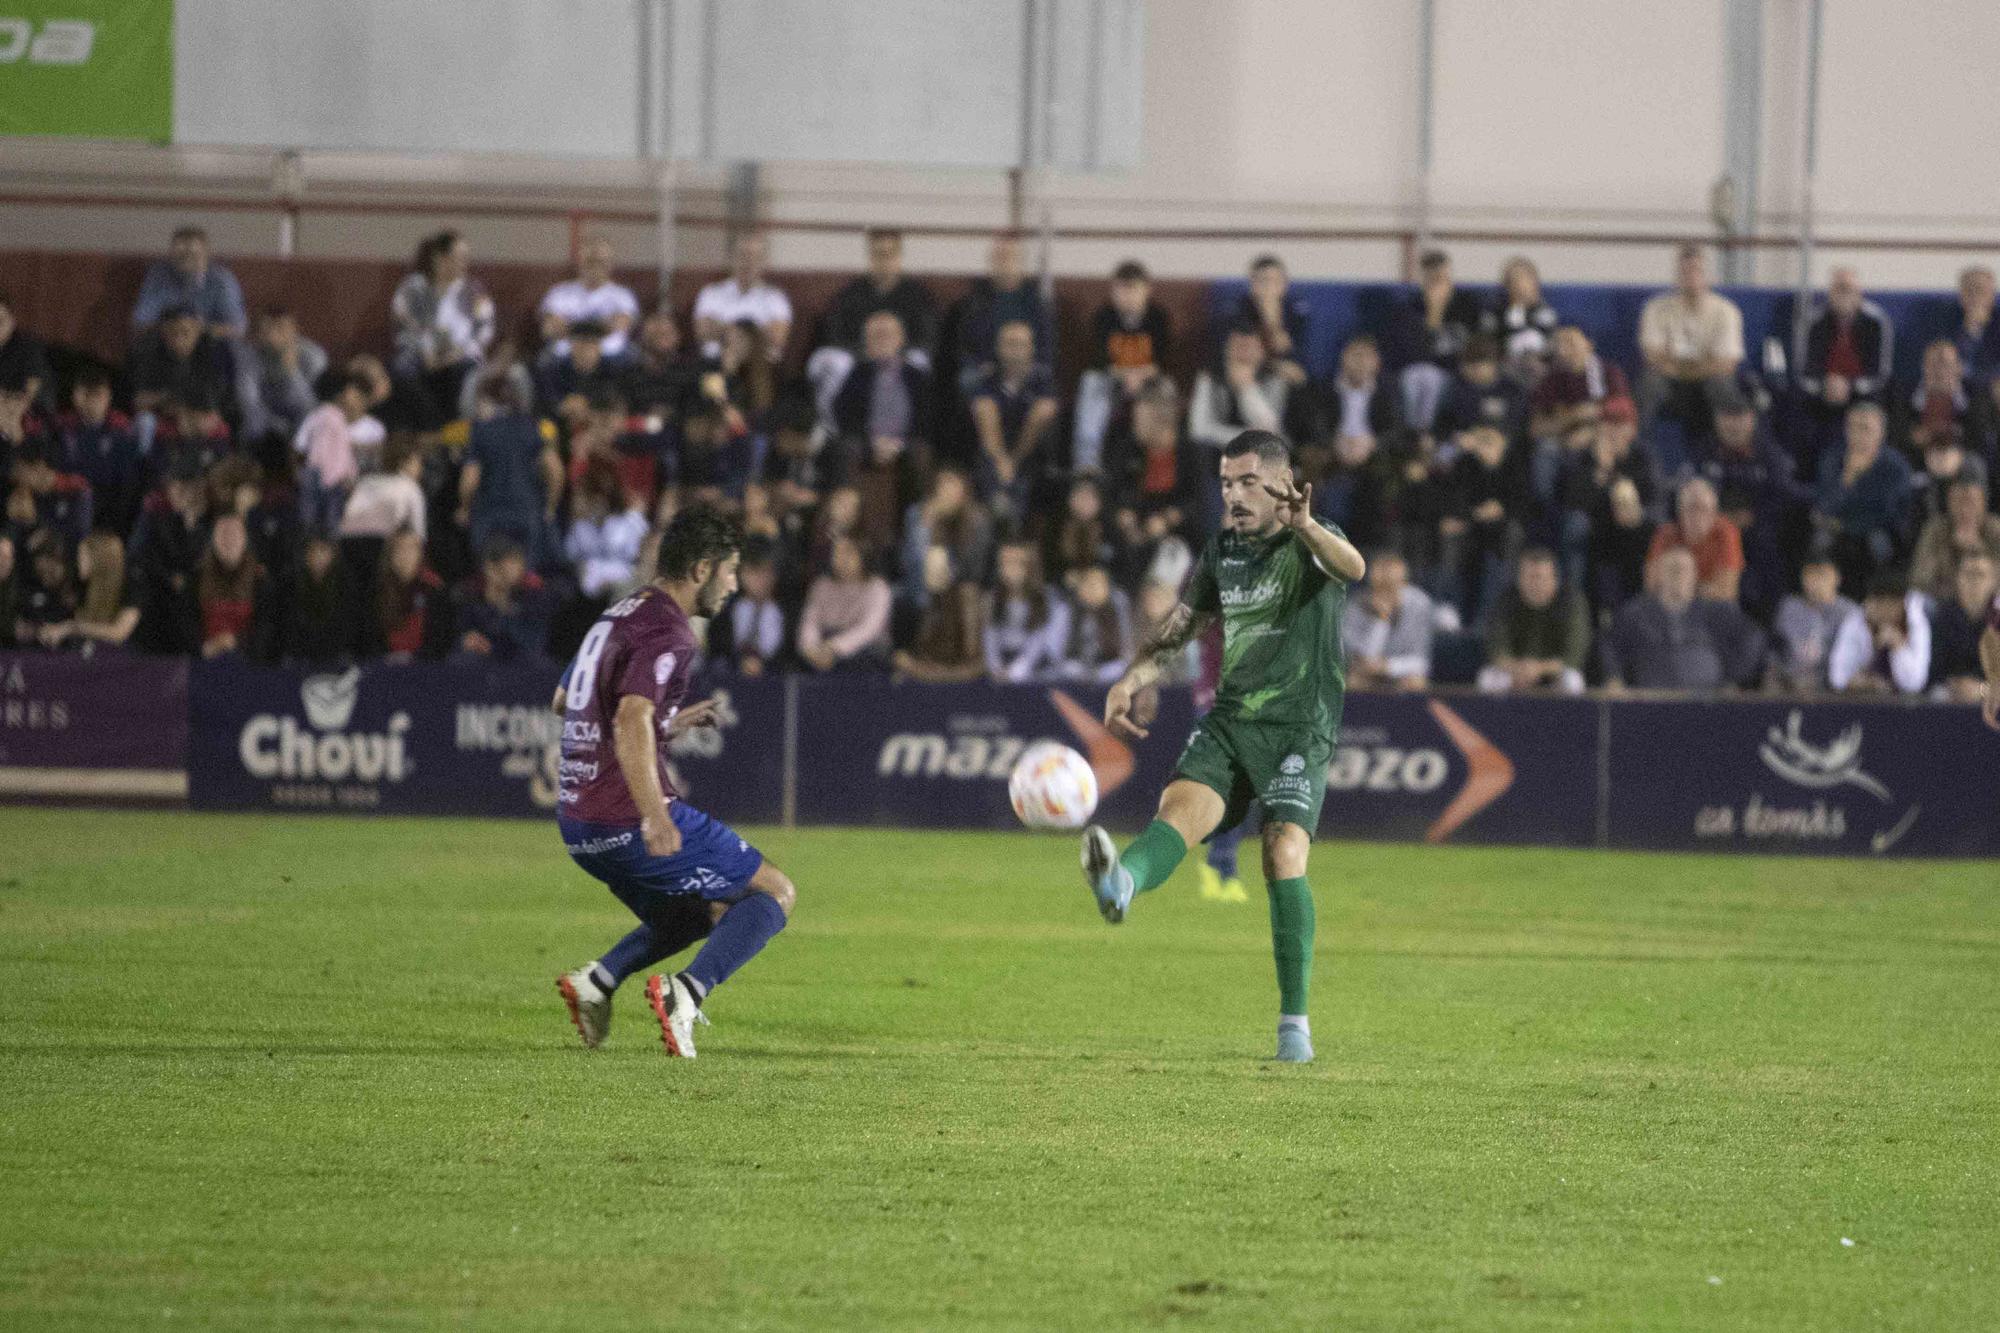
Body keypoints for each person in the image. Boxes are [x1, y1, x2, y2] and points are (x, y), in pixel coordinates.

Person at [1083, 430, 1366, 1063]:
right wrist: (1130, 679)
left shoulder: (1314, 543)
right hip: (1233, 719)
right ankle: (1122, 884)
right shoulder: (1221, 553)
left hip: (1300, 724)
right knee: (1177, 812)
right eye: (1224, 484)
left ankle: (1295, 1026)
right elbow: (1182, 627)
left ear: (1280, 485)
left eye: (1244, 483)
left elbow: (1355, 568)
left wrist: (1309, 527)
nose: (1231, 496)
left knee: (1282, 851)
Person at [551, 506, 797, 1058]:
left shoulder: (618, 613)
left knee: (696, 913)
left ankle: (599, 980)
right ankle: (685, 992)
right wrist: (655, 813)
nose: (733, 586)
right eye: (731, 572)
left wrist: (670, 721)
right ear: (702, 569)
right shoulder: (671, 631)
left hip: (577, 823)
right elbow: (630, 717)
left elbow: (564, 700)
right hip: (626, 816)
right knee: (774, 893)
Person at [1600, 548, 1765, 692]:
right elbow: (1610, 646)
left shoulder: (1716, 611)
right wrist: (1614, 679)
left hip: (1709, 702)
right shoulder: (1636, 613)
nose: (1678, 575)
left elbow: (1753, 637)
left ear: (1694, 575)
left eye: (1684, 569)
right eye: (1672, 569)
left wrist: (1732, 677)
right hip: (1651, 701)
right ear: (1659, 574)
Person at [1073, 259, 1173, 472]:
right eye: (1121, 289)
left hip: (1149, 380)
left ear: (1147, 290)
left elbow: (1164, 360)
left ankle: (1162, 466)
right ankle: (1087, 463)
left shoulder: (1158, 318)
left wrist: (1140, 376)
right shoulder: (1104, 318)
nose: (1127, 296)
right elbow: (1100, 360)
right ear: (1112, 291)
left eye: (1133, 289)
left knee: (1168, 388)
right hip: (1114, 379)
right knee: (1091, 383)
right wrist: (1126, 375)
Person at [391, 230, 495, 427]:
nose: (464, 264)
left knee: (465, 372)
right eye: (459, 258)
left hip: (460, 358)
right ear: (439, 258)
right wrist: (427, 353)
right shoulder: (413, 289)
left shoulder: (475, 292)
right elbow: (403, 326)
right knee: (401, 371)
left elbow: (484, 331)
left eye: (466, 258)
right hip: (421, 358)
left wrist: (456, 354)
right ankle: (430, 429)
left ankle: (452, 435)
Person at [1637, 244, 1744, 429]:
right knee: (1649, 384)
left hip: (1708, 382)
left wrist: (1678, 363)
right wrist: (1703, 363)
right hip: (1670, 383)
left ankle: (1732, 453)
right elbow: (1652, 357)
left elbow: (1727, 363)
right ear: (1677, 275)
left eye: (1697, 271)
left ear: (1709, 276)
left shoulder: (1726, 311)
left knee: (1722, 386)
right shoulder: (1655, 308)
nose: (1691, 277)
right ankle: (1634, 450)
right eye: (1685, 271)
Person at [1814, 401, 1912, 593]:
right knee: (1819, 543)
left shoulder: (1895, 466)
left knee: (1879, 545)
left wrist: (1846, 523)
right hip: (1838, 527)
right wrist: (1847, 480)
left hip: (1878, 529)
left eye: (1865, 428)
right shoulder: (1833, 459)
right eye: (1852, 427)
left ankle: (1881, 594)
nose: (1858, 435)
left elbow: (1888, 511)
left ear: (1881, 433)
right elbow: (1825, 505)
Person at [1384, 249, 1485, 433]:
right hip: (1420, 375)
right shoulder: (1409, 310)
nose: (1437, 286)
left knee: (1428, 377)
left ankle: (1422, 437)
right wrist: (1433, 316)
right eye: (1432, 281)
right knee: (1423, 376)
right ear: (1423, 282)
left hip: (1459, 376)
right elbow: (1414, 357)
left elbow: (1480, 346)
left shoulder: (1468, 306)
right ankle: (1419, 436)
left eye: (1442, 279)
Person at [968, 320, 1059, 519]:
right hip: (994, 454)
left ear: (1031, 348)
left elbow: (1047, 413)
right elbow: (983, 415)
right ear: (999, 348)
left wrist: (1014, 460)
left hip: (1032, 454)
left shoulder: (1042, 380)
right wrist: (1001, 460)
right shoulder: (988, 380)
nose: (1015, 351)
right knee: (984, 408)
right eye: (1010, 344)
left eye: (1020, 344)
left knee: (1044, 410)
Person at [1477, 547, 1589, 694]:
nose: (1535, 583)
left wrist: (1539, 669)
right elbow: (1496, 649)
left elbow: (1574, 655)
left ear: (1554, 579)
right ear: (1519, 579)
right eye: (1529, 576)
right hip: (1515, 672)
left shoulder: (1572, 602)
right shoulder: (1505, 601)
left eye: (1540, 577)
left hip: (1553, 673)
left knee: (1573, 680)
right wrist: (1518, 668)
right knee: (1487, 679)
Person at [952, 232, 1052, 385]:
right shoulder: (973, 302)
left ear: (1022, 262)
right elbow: (964, 347)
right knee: (967, 378)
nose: (1006, 263)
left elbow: (1046, 347)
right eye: (1000, 257)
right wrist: (985, 364)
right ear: (991, 261)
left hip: (1027, 370)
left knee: (1045, 381)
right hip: (985, 370)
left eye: (1011, 257)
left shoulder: (1037, 304)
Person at [1800, 267, 1894, 409]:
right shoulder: (1813, 323)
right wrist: (1825, 385)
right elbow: (1805, 372)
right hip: (1823, 394)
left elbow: (1881, 374)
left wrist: (1850, 386)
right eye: (1839, 289)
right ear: (1830, 293)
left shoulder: (1876, 322)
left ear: (1859, 293)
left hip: (1863, 394)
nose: (1844, 295)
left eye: (1848, 289)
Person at [131, 227, 246, 341]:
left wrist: (196, 330)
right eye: (180, 255)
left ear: (206, 253)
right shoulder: (159, 275)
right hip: (166, 343)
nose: (186, 259)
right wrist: (176, 329)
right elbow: (140, 322)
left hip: (210, 344)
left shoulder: (222, 279)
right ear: (171, 254)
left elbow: (238, 328)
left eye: (193, 254)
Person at [892, 545, 986, 683]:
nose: (933, 571)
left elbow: (974, 664)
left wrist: (918, 670)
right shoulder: (927, 603)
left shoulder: (966, 598)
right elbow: (922, 652)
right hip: (933, 679)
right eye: (929, 566)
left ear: (951, 569)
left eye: (939, 566)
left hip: (963, 684)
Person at [1340, 550, 1432, 690]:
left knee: (1416, 682)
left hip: (1399, 672)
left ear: (1403, 583)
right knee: (1353, 681)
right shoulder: (1356, 606)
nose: (1386, 592)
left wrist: (1387, 667)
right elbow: (1362, 659)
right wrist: (1381, 619)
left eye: (1392, 586)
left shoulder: (1419, 604)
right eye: (1381, 587)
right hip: (1367, 673)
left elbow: (1421, 662)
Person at [293, 372, 372, 535]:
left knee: (331, 523)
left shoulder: (356, 424)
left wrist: (351, 474)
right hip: (316, 475)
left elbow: (346, 454)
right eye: (345, 395)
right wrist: (303, 472)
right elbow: (299, 447)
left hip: (337, 480)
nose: (347, 400)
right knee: (309, 521)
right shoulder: (320, 416)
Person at [797, 535, 891, 671]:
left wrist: (834, 648)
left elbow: (869, 629)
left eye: (848, 552)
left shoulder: (878, 588)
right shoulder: (821, 585)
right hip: (823, 645)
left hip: (864, 648)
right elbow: (810, 622)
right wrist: (810, 648)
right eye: (837, 552)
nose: (841, 559)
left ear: (863, 556)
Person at [693, 232, 791, 360]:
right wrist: (754, 332)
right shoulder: (711, 293)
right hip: (716, 363)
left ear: (764, 262)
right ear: (732, 258)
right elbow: (703, 331)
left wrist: (727, 331)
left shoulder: (775, 298)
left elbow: (778, 337)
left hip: (759, 366)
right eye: (743, 255)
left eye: (756, 257)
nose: (749, 262)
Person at [1771, 553, 1861, 693]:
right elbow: (1776, 648)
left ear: (1836, 578)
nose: (1817, 581)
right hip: (1790, 685)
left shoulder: (1850, 613)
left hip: (1832, 686)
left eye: (1822, 574)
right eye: (1811, 575)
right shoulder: (1789, 608)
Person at [539, 235, 640, 358]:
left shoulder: (623, 295)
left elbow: (621, 325)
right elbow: (550, 328)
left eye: (601, 261)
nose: (595, 266)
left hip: (611, 358)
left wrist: (572, 327)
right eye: (590, 261)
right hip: (566, 358)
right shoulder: (559, 292)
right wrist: (600, 327)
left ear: (610, 264)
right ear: (580, 262)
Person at [35, 531, 139, 650]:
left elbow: (119, 633)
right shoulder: (85, 585)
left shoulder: (131, 585)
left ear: (98, 558)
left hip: (136, 658)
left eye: (83, 555)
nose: (78, 560)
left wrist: (71, 628)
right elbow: (82, 620)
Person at [1829, 573, 1930, 695]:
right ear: (1868, 602)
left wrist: (1898, 646)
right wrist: (1863, 681)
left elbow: (1913, 685)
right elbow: (1837, 678)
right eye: (1879, 603)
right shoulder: (1856, 623)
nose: (1885, 610)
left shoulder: (1917, 625)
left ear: (1902, 604)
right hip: (1863, 701)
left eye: (1891, 604)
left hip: (1907, 705)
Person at [1647, 477, 1744, 603]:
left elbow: (1726, 591)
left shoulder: (1726, 533)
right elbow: (1652, 584)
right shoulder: (1666, 534)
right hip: (1672, 607)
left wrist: (1679, 586)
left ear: (1714, 513)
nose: (1697, 516)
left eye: (1704, 509)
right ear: (1680, 512)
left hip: (1712, 607)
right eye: (1691, 508)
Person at [455, 536, 550, 662]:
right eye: (513, 561)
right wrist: (468, 640)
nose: (520, 568)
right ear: (491, 566)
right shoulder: (468, 598)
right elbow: (459, 636)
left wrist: (503, 604)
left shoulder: (531, 598)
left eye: (520, 561)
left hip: (521, 666)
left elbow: (533, 643)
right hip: (480, 668)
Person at [984, 538, 1067, 683]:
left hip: (1036, 667)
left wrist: (1017, 670)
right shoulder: (992, 598)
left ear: (1030, 567)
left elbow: (1040, 639)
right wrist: (995, 667)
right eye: (1005, 563)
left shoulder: (1047, 598)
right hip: (1004, 663)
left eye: (1017, 563)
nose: (1010, 569)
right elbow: (990, 636)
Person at [129, 306, 234, 418]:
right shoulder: (149, 353)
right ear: (163, 333)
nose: (179, 340)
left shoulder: (212, 355)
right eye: (173, 333)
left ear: (197, 332)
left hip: (201, 420)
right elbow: (138, 401)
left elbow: (217, 405)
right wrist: (168, 399)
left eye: (185, 333)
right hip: (162, 419)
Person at [1909, 473, 2000, 601]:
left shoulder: (1995, 529)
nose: (1965, 509)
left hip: (1988, 601)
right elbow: (1919, 579)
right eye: (1958, 501)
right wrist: (1950, 549)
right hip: (1944, 601)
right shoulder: (1936, 530)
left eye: (1971, 501)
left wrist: (1978, 549)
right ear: (1948, 503)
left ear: (1983, 503)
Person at [243, 307, 329, 442]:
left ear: (295, 330)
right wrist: (278, 428)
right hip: (267, 423)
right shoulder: (251, 355)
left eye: (281, 328)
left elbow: (312, 406)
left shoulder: (313, 356)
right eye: (267, 328)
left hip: (300, 423)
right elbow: (249, 401)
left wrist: (291, 372)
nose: (273, 334)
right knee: (252, 422)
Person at [1926, 552, 1996, 703]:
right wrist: (1955, 686)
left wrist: (1982, 690)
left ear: (1993, 582)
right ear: (1957, 579)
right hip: (1946, 698)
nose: (1974, 581)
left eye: (1980, 575)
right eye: (1968, 574)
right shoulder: (1941, 617)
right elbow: (1931, 673)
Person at [1231, 254, 1310, 388]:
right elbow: (1240, 356)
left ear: (1285, 284)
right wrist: (1276, 367)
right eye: (1264, 281)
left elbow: (1302, 351)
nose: (1270, 286)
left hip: (1290, 377)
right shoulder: (1239, 312)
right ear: (1253, 285)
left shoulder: (1296, 312)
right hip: (1252, 376)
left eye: (1277, 280)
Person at [196, 513, 266, 660]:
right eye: (222, 534)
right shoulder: (196, 578)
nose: (228, 540)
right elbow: (184, 625)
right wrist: (202, 648)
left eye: (234, 534)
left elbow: (268, 629)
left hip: (250, 666)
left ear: (245, 539)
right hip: (200, 664)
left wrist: (235, 642)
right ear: (213, 540)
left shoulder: (261, 580)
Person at [712, 538, 786, 675]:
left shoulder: (787, 612)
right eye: (753, 572)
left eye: (765, 572)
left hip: (774, 682)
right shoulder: (726, 608)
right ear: (741, 573)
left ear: (775, 574)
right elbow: (718, 650)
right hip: (731, 679)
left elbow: (790, 657)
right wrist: (740, 662)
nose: (760, 580)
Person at [1050, 564, 1132, 683]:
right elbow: (1054, 650)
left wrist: (1105, 672)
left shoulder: (1118, 608)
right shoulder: (1066, 609)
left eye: (1098, 584)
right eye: (1087, 583)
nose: (1092, 588)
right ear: (1079, 588)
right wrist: (1075, 670)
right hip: (1071, 675)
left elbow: (1127, 648)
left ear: (1108, 588)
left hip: (1111, 675)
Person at [338, 434, 428, 544]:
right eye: (418, 462)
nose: (421, 469)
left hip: (350, 543)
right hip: (383, 545)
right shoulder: (411, 487)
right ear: (403, 463)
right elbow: (418, 531)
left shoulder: (366, 481)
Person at [374, 528, 447, 660]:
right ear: (390, 555)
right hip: (384, 667)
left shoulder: (434, 588)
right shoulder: (377, 590)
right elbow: (370, 639)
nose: (405, 554)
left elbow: (440, 640)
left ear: (421, 553)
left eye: (412, 548)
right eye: (399, 548)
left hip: (424, 668)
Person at [1481, 256, 1560, 375]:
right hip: (1504, 368)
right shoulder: (1494, 312)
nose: (1518, 285)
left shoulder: (1546, 312)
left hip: (1540, 367)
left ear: (1535, 283)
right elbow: (1488, 342)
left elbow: (1551, 343)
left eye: (1523, 279)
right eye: (1513, 280)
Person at [0, 293, 51, 407]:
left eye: (0, 322)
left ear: (12, 321)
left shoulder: (29, 348)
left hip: (21, 413)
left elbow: (30, 395)